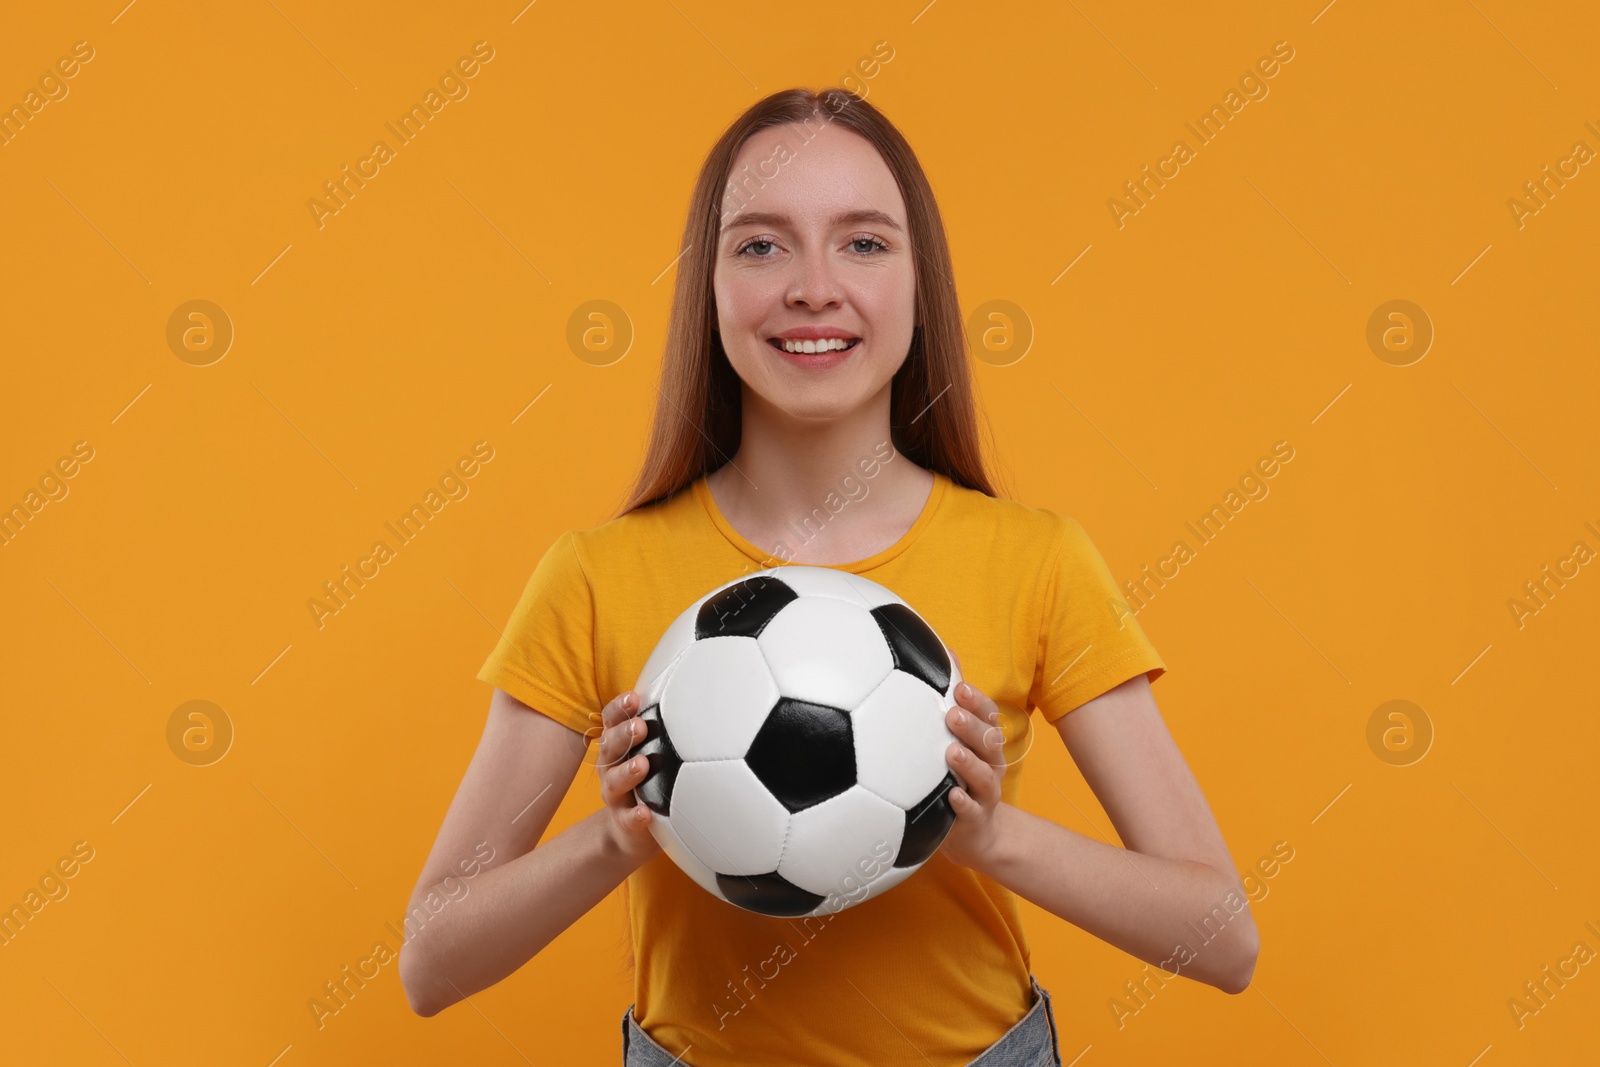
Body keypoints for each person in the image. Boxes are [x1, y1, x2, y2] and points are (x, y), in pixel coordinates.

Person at [399, 87, 1258, 1066]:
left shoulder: (1037, 560)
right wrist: (616, 834)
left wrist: (988, 835)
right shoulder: (598, 573)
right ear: (708, 286)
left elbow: (1223, 936)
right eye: (761, 245)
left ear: (919, 281)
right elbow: (432, 958)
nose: (813, 286)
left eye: (863, 242)